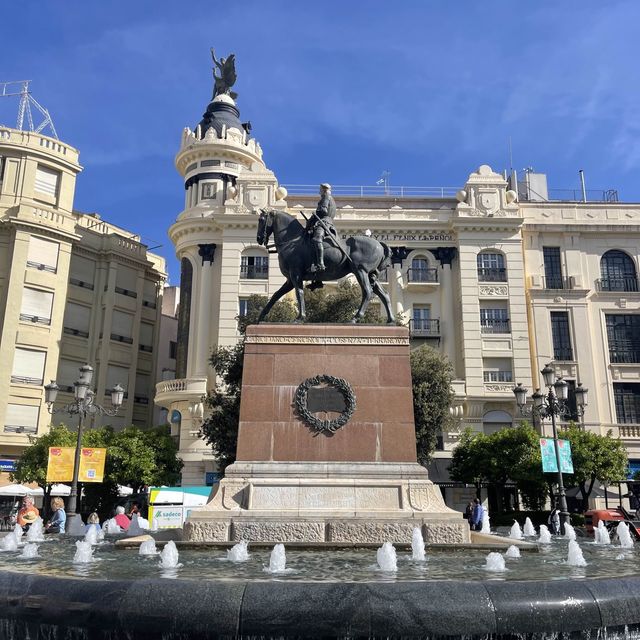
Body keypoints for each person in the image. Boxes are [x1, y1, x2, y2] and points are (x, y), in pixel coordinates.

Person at [306, 183, 337, 272]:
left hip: (324, 222)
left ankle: (320, 264)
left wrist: (315, 215)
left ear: (324, 190)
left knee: (317, 239)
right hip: (326, 221)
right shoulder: (329, 198)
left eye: (320, 189)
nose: (319, 191)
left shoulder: (326, 196)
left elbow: (323, 210)